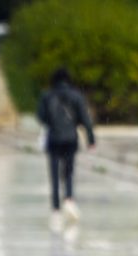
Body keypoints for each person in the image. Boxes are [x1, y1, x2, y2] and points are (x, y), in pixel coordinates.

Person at [37, 67, 95, 233]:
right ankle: (69, 199)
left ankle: (55, 207)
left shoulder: (47, 96)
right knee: (69, 171)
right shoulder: (76, 96)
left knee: (54, 173)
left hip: (54, 138)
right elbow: (85, 117)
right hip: (70, 138)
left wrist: (51, 121)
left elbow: (41, 116)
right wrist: (91, 138)